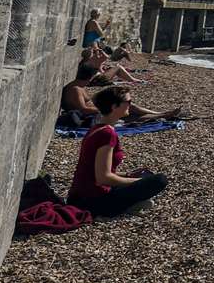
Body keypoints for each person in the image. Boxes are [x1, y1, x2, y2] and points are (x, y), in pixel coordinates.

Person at [66, 87, 170, 218]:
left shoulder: (97, 128)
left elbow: (97, 171)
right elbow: (103, 178)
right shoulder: (107, 134)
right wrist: (136, 182)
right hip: (92, 201)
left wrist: (127, 174)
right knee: (160, 180)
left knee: (147, 178)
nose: (131, 104)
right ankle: (124, 207)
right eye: (128, 101)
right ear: (115, 106)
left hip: (80, 196)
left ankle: (130, 202)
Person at [59, 64, 183, 128]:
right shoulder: (75, 89)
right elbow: (83, 110)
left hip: (95, 113)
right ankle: (163, 115)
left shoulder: (77, 87)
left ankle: (159, 113)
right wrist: (105, 108)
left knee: (128, 105)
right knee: (127, 117)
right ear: (90, 77)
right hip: (92, 117)